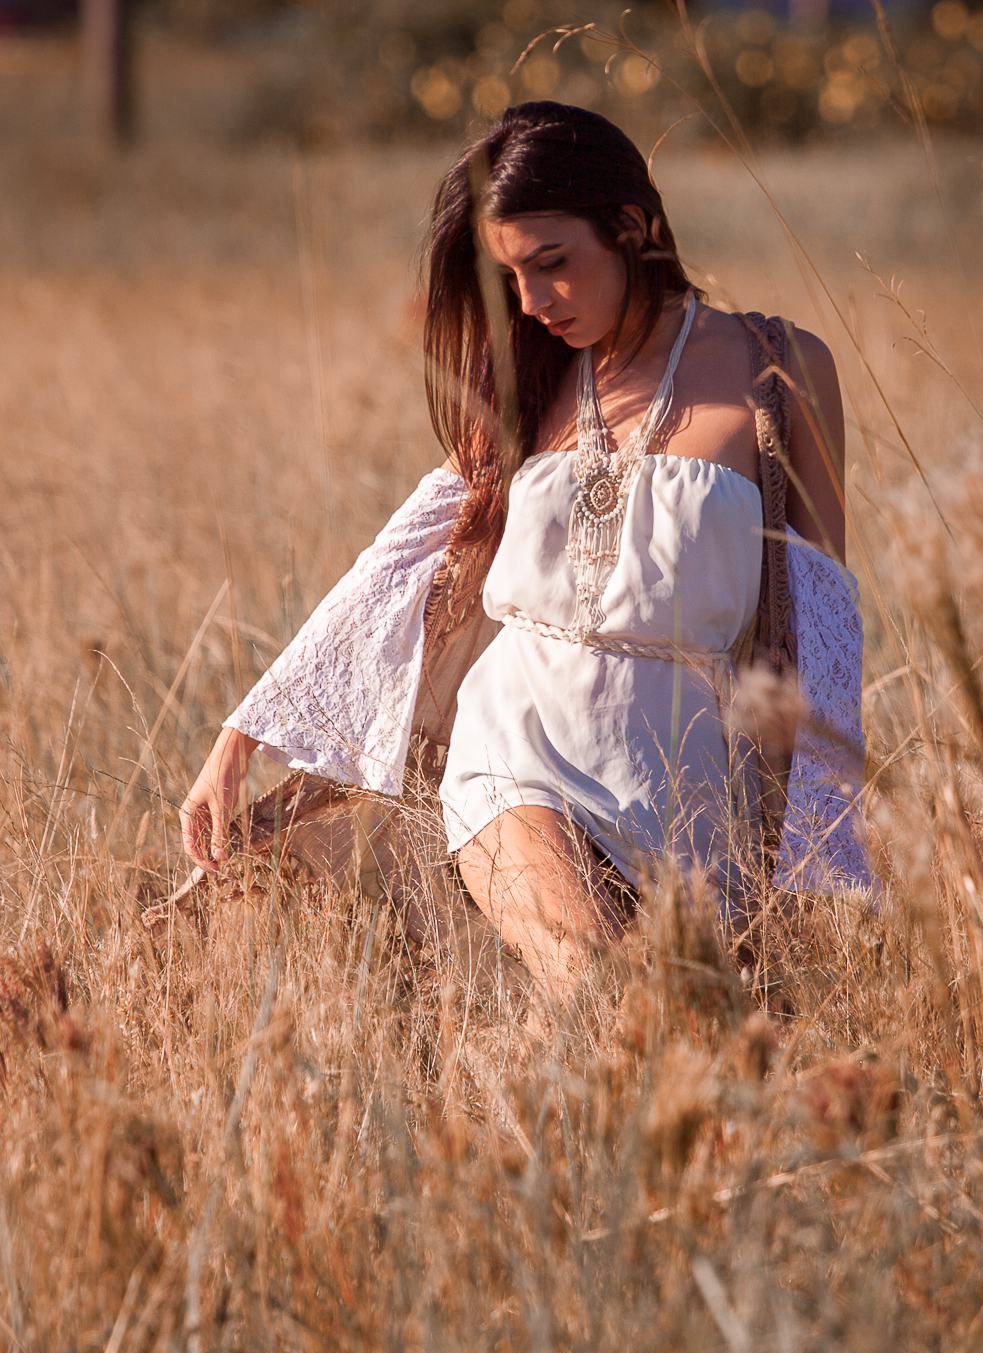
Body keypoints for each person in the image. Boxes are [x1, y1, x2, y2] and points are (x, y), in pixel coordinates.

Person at [179, 102, 871, 997]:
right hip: (517, 757)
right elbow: (398, 565)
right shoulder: (529, 379)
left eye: (553, 264)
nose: (534, 301)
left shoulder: (782, 368)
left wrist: (822, 856)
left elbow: (823, 624)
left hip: (697, 799)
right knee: (594, 982)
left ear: (634, 228)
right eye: (512, 276)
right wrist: (238, 740)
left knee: (670, 1030)